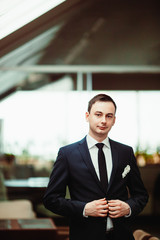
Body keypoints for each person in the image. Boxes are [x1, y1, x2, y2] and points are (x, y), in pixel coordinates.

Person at [43, 94, 148, 240]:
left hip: (121, 235)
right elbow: (51, 199)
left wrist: (128, 208)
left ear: (114, 120)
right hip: (84, 236)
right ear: (87, 116)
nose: (103, 121)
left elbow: (141, 195)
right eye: (98, 115)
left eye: (109, 116)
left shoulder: (126, 152)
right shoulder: (67, 154)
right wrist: (84, 209)